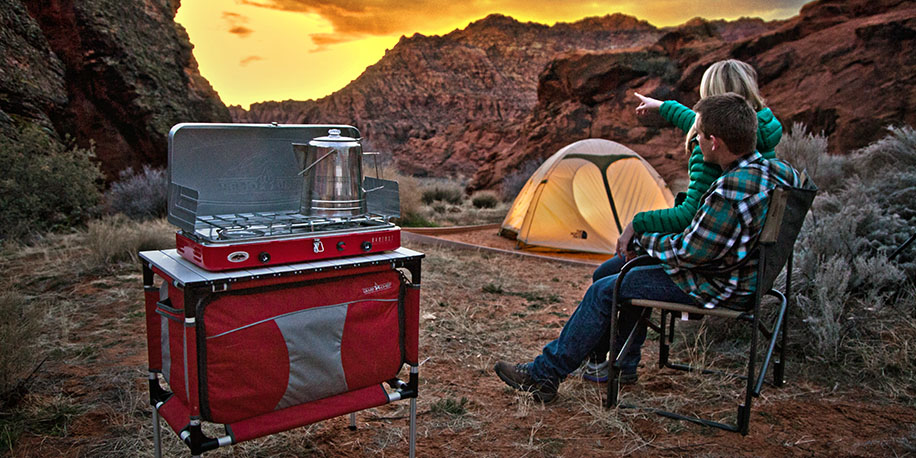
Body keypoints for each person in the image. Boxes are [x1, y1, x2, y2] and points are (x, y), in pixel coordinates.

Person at [493, 93, 801, 403]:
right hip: (739, 273)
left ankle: (545, 374)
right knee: (608, 273)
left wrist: (643, 240)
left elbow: (688, 252)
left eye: (700, 137)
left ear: (715, 142)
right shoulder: (781, 173)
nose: (696, 143)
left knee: (606, 289)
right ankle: (616, 363)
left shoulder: (731, 187)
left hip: (714, 284)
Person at [576, 59, 783, 383]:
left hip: (712, 269)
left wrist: (639, 228)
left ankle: (608, 361)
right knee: (613, 272)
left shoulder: (716, 157)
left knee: (619, 273)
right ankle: (615, 360)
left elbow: (688, 219)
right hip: (747, 264)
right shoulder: (760, 137)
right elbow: (697, 120)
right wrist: (663, 106)